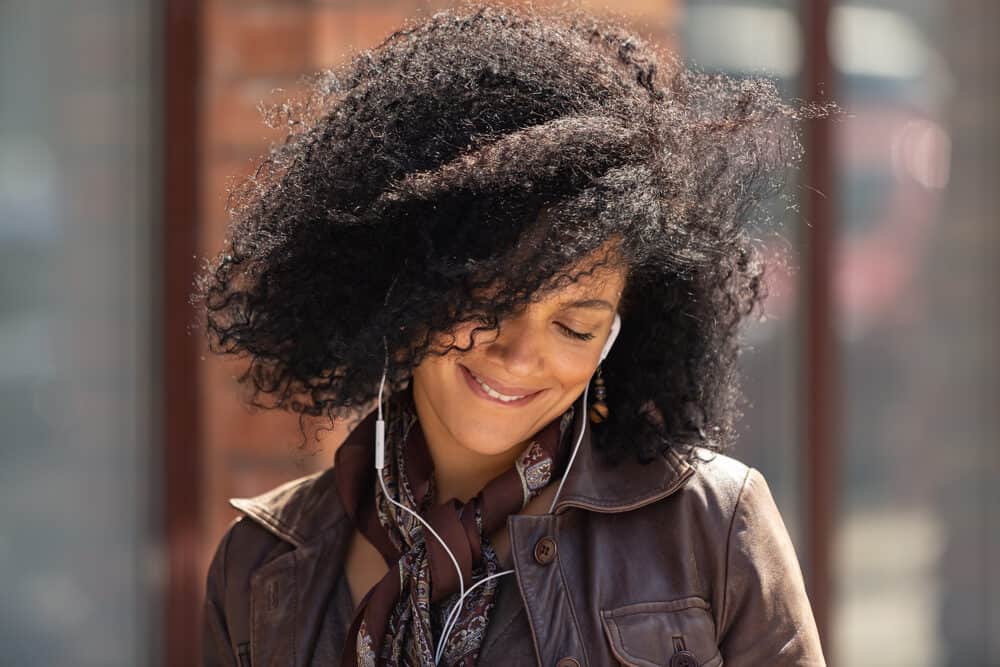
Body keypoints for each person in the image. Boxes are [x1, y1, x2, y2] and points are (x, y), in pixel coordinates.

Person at [194, 2, 827, 665]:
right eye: (492, 300)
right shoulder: (261, 565)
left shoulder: (711, 528)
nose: (522, 355)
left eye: (574, 326)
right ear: (410, 283)